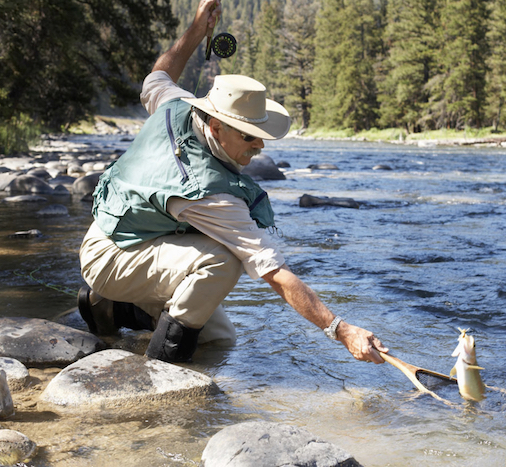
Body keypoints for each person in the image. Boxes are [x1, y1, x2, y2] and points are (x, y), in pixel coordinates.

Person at [77, 0, 388, 364]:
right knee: (223, 261)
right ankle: (160, 371)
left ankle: (114, 310)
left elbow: (157, 77)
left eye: (261, 136)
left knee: (219, 340)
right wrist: (341, 329)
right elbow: (274, 272)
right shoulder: (207, 191)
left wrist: (196, 29)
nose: (259, 146)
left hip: (135, 240)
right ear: (215, 125)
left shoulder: (179, 104)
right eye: (249, 136)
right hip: (109, 255)